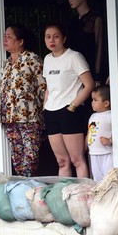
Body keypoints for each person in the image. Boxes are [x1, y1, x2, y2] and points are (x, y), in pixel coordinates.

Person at [42, 23, 95, 178]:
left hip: (69, 111)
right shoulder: (47, 59)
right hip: (51, 112)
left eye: (56, 36)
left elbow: (89, 84)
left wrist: (73, 106)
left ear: (64, 38)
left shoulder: (73, 57)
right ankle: (64, 197)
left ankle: (83, 197)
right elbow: (48, 86)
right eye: (48, 37)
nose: (52, 40)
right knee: (62, 161)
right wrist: (45, 106)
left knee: (77, 159)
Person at [0, 24, 46, 177]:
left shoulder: (31, 59)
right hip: (10, 117)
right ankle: (22, 185)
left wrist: (43, 111)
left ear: (20, 41)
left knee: (30, 155)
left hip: (29, 116)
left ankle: (28, 184)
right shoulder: (6, 63)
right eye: (5, 36)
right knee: (17, 157)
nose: (5, 39)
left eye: (9, 36)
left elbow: (43, 87)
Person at [66, 0, 108, 88]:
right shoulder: (72, 21)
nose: (70, 0)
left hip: (90, 66)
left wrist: (97, 74)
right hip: (74, 69)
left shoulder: (95, 19)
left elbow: (100, 48)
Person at [87, 85, 113, 181]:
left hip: (107, 153)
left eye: (95, 100)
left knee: (108, 178)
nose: (92, 103)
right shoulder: (93, 116)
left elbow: (117, 132)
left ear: (106, 103)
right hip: (94, 153)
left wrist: (110, 140)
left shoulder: (111, 115)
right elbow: (89, 132)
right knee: (97, 178)